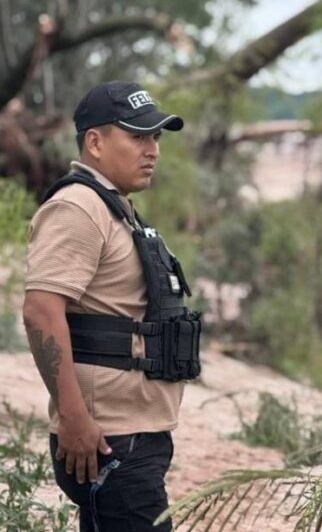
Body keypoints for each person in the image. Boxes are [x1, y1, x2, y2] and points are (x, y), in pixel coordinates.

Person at [22, 81, 202, 531]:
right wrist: (74, 419)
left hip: (132, 437)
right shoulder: (79, 208)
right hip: (108, 441)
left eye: (156, 137)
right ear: (95, 142)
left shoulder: (114, 208)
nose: (153, 150)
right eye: (138, 136)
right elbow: (41, 311)